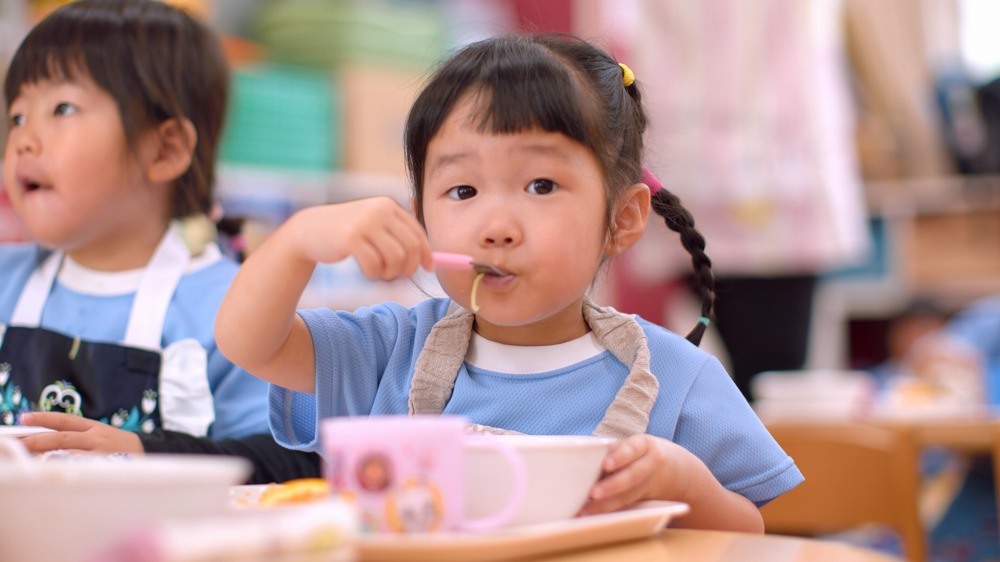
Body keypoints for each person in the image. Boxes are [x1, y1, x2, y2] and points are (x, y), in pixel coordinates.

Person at [215, 33, 803, 531]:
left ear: (622, 219)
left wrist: (691, 489)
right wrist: (295, 242)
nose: (495, 228)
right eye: (463, 192)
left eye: (541, 185)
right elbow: (248, 343)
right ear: (421, 215)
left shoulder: (680, 378)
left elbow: (749, 535)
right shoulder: (385, 353)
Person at [0, 0, 318, 484]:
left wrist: (146, 453)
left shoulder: (236, 309)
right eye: (18, 116)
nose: (23, 139)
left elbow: (296, 461)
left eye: (62, 108)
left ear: (165, 149)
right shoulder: (7, 280)